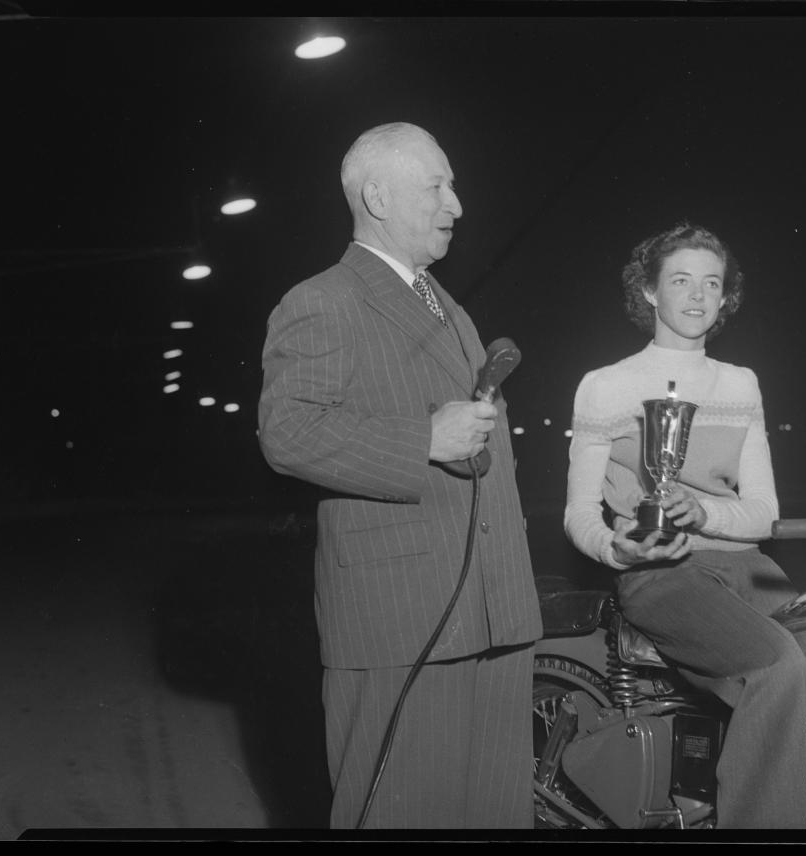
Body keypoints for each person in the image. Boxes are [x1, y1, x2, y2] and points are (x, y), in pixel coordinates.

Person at [258, 122, 542, 829]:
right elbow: (286, 433)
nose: (457, 204)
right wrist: (424, 438)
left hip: (493, 616)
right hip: (400, 624)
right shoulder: (321, 300)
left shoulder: (449, 308)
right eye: (438, 185)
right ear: (377, 196)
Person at [564, 222, 806, 829]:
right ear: (649, 291)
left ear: (726, 296)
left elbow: (764, 513)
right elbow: (578, 513)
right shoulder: (605, 386)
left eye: (712, 283)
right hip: (662, 573)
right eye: (681, 280)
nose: (699, 296)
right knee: (777, 665)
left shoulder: (741, 383)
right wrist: (614, 550)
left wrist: (706, 512)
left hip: (749, 568)